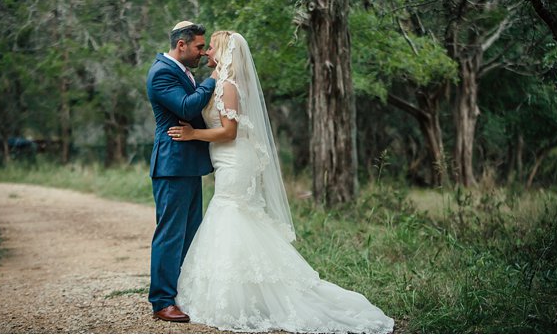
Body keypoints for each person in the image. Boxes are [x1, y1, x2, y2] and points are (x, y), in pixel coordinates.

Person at [166, 31, 394, 333]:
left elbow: (229, 132)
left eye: (211, 48)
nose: (207, 51)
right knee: (235, 216)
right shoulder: (222, 83)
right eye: (204, 47)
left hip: (234, 158)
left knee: (230, 214)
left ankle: (244, 294)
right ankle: (244, 291)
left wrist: (194, 135)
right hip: (226, 159)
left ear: (223, 53)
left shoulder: (229, 86)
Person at [145, 21, 218, 322]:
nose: (202, 52)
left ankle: (183, 293)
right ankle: (162, 301)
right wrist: (215, 77)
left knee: (191, 233)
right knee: (170, 234)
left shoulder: (182, 71)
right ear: (181, 45)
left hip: (187, 163)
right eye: (199, 47)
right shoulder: (162, 72)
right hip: (172, 164)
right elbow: (187, 108)